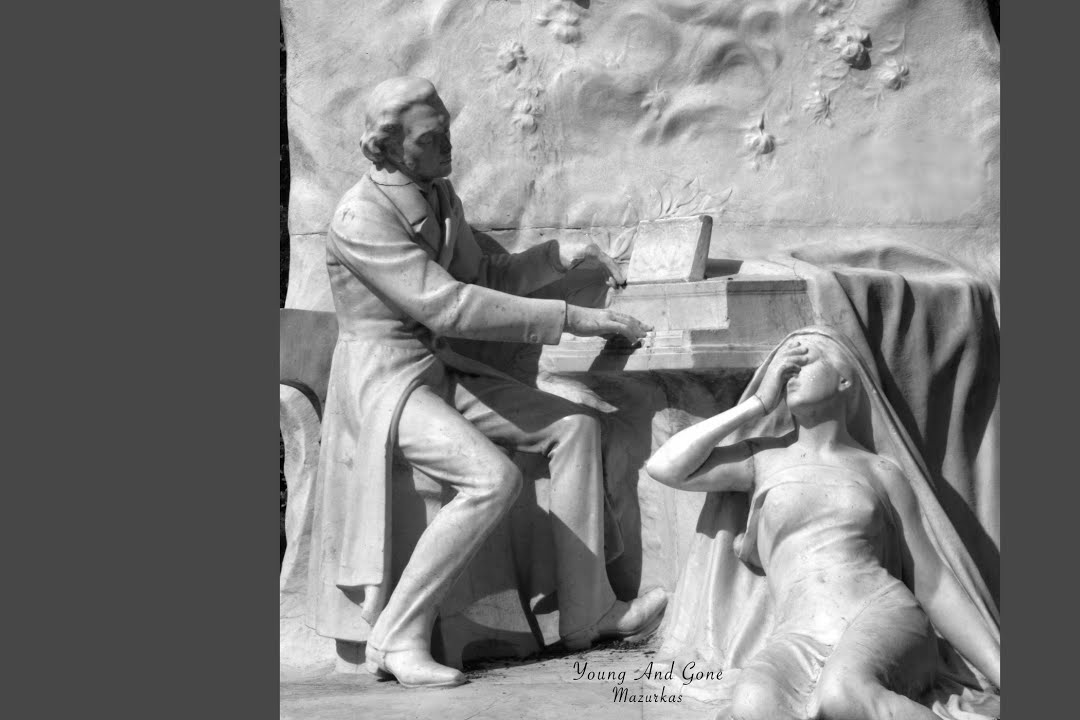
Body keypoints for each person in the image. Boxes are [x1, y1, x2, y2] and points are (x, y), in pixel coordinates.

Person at [307, 76, 667, 689]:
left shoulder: (438, 193)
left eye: (447, 130)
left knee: (574, 427)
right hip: (385, 385)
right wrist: (572, 318)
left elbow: (482, 276)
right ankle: (396, 637)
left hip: (436, 371)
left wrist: (557, 258)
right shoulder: (359, 216)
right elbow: (447, 305)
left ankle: (589, 611)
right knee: (490, 478)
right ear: (387, 147)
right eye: (431, 138)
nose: (448, 145)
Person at [644, 327, 1000, 720]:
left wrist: (1000, 668)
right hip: (797, 633)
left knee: (843, 695)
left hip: (881, 615)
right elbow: (665, 467)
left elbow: (932, 582)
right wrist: (757, 404)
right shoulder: (761, 459)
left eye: (804, 359)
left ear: (845, 380)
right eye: (783, 366)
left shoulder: (880, 471)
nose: (788, 372)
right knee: (753, 704)